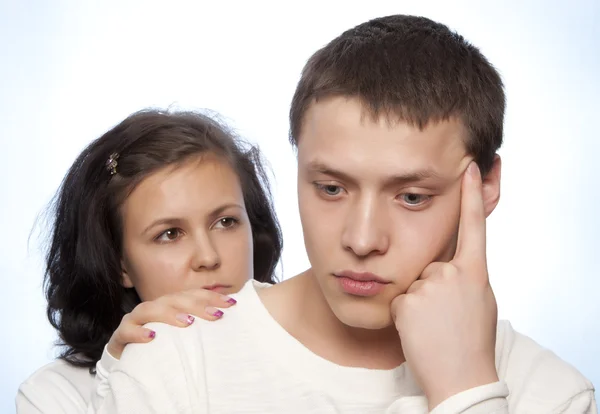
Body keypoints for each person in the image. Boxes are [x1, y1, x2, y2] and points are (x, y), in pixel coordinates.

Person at [94, 15, 596, 413]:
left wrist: (466, 390)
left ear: (485, 187)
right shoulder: (174, 363)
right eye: (331, 188)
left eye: (412, 197)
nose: (361, 239)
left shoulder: (549, 395)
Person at [15, 109, 283, 413]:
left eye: (225, 222)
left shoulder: (315, 348)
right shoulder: (54, 395)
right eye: (170, 234)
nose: (208, 257)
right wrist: (117, 379)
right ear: (120, 265)